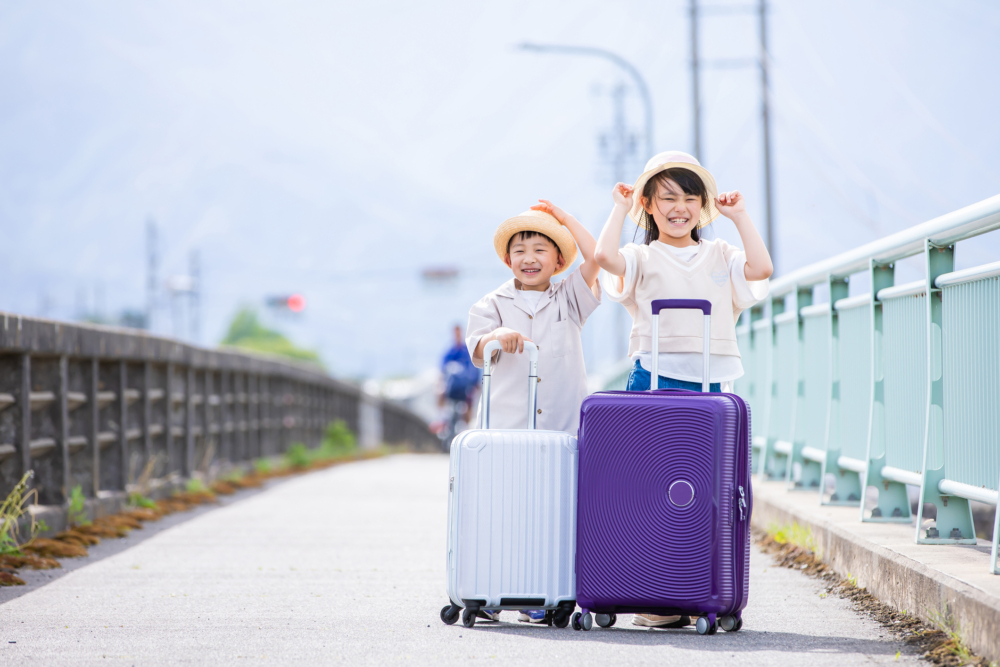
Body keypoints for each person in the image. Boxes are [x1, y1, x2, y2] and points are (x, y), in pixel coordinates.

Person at [593, 150, 772, 628]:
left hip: (711, 389)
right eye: (668, 197)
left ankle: (692, 588)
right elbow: (603, 257)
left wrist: (739, 217)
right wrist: (617, 207)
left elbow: (761, 270)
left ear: (702, 206)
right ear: (648, 205)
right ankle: (655, 595)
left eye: (691, 198)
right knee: (648, 488)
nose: (680, 207)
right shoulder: (641, 256)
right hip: (653, 379)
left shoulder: (720, 255)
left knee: (702, 492)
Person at [465, 201, 601, 623]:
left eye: (541, 249)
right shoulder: (491, 304)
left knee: (554, 512)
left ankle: (543, 595)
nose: (529, 258)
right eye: (520, 249)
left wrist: (564, 218)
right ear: (507, 258)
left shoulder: (571, 297)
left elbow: (597, 257)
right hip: (507, 431)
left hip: (561, 428)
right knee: (503, 510)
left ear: (559, 260)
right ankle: (490, 589)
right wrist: (497, 334)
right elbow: (477, 350)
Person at [437, 325, 480, 444]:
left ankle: (467, 425)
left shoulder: (467, 352)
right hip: (451, 386)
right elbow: (442, 371)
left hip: (465, 386)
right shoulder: (449, 352)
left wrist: (475, 384)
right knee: (439, 392)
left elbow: (475, 369)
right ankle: (441, 417)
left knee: (470, 400)